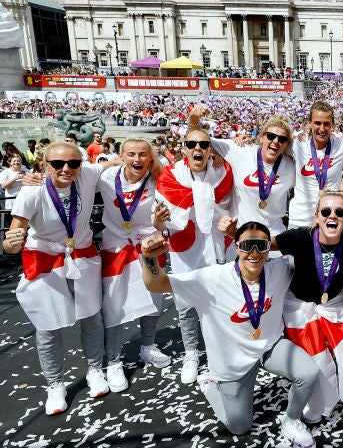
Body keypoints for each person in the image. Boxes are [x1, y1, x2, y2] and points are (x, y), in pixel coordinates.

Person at [139, 222, 321, 448]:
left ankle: (292, 421)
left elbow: (310, 258)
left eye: (261, 246)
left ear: (269, 249)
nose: (254, 253)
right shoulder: (211, 278)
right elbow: (157, 284)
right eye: (247, 246)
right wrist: (148, 259)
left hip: (270, 347)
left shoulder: (280, 270)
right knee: (239, 425)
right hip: (232, 363)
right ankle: (209, 387)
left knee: (309, 372)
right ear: (236, 248)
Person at [0, 142, 108, 415]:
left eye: (73, 163)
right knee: (48, 326)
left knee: (91, 317)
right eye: (58, 164)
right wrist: (11, 243)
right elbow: (13, 238)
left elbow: (116, 164)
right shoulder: (32, 191)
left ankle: (95, 370)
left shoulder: (86, 175)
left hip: (82, 255)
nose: (66, 169)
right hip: (47, 259)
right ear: (45, 165)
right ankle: (55, 384)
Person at [269, 190, 343, 421]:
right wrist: (235, 233)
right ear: (316, 216)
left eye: (339, 212)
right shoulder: (300, 237)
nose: (331, 216)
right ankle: (321, 403)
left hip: (334, 303)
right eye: (325, 211)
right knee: (318, 358)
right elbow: (265, 243)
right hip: (300, 305)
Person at [154, 128, 235, 384]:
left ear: (211, 149)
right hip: (186, 246)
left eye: (203, 144)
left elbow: (230, 204)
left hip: (217, 242)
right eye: (191, 144)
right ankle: (191, 353)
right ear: (184, 148)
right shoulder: (169, 177)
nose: (197, 148)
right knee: (186, 304)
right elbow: (163, 218)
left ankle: (216, 352)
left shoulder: (224, 172)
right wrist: (160, 220)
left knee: (217, 302)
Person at [97, 137, 170, 393]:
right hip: (116, 245)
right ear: (121, 156)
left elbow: (164, 215)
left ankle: (148, 346)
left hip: (149, 242)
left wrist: (161, 225)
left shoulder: (157, 177)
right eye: (131, 154)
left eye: (142, 154)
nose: (137, 160)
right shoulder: (105, 177)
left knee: (154, 297)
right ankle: (114, 361)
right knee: (113, 302)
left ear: (150, 157)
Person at [189, 105, 296, 235]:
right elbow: (196, 139)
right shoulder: (240, 150)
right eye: (271, 136)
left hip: (275, 236)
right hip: (242, 234)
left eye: (282, 139)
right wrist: (194, 118)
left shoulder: (291, 166)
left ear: (286, 145)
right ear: (261, 138)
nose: (275, 141)